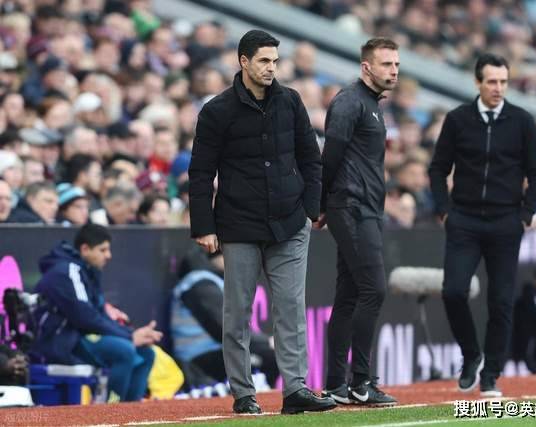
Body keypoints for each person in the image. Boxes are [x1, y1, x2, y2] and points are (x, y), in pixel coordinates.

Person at [188, 30, 333, 415]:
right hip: (239, 224)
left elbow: (311, 158)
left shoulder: (290, 100)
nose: (271, 68)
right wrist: (204, 226)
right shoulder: (217, 111)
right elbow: (200, 173)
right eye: (264, 60)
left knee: (291, 308)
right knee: (237, 312)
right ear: (244, 61)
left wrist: (311, 208)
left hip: (290, 222)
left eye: (275, 61)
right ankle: (243, 393)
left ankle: (296, 389)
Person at [428, 53, 536, 397]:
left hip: (506, 222)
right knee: (453, 291)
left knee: (501, 302)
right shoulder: (458, 119)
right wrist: (444, 210)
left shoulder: (522, 121)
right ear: (477, 82)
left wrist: (525, 215)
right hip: (463, 219)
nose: (498, 88)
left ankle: (491, 374)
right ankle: (471, 354)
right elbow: (438, 168)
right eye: (492, 81)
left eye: (503, 82)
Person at [319, 37, 400, 406]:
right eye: (386, 64)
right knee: (374, 290)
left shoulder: (371, 104)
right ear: (366, 67)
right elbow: (330, 156)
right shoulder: (350, 102)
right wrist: (321, 203)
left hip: (363, 207)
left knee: (350, 295)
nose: (393, 71)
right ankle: (361, 382)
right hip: (351, 206)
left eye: (396, 64)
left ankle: (336, 384)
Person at [31, 224, 163, 402]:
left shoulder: (87, 272)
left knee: (146, 353)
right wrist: (130, 337)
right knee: (124, 351)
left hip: (79, 337)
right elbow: (85, 317)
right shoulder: (68, 271)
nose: (108, 256)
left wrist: (130, 334)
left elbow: (100, 316)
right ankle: (111, 410)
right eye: (103, 250)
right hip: (59, 343)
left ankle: (132, 411)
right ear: (85, 249)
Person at [171, 245, 278, 389]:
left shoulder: (213, 280)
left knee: (272, 355)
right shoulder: (200, 283)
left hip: (216, 352)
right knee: (268, 355)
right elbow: (224, 328)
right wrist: (265, 342)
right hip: (197, 359)